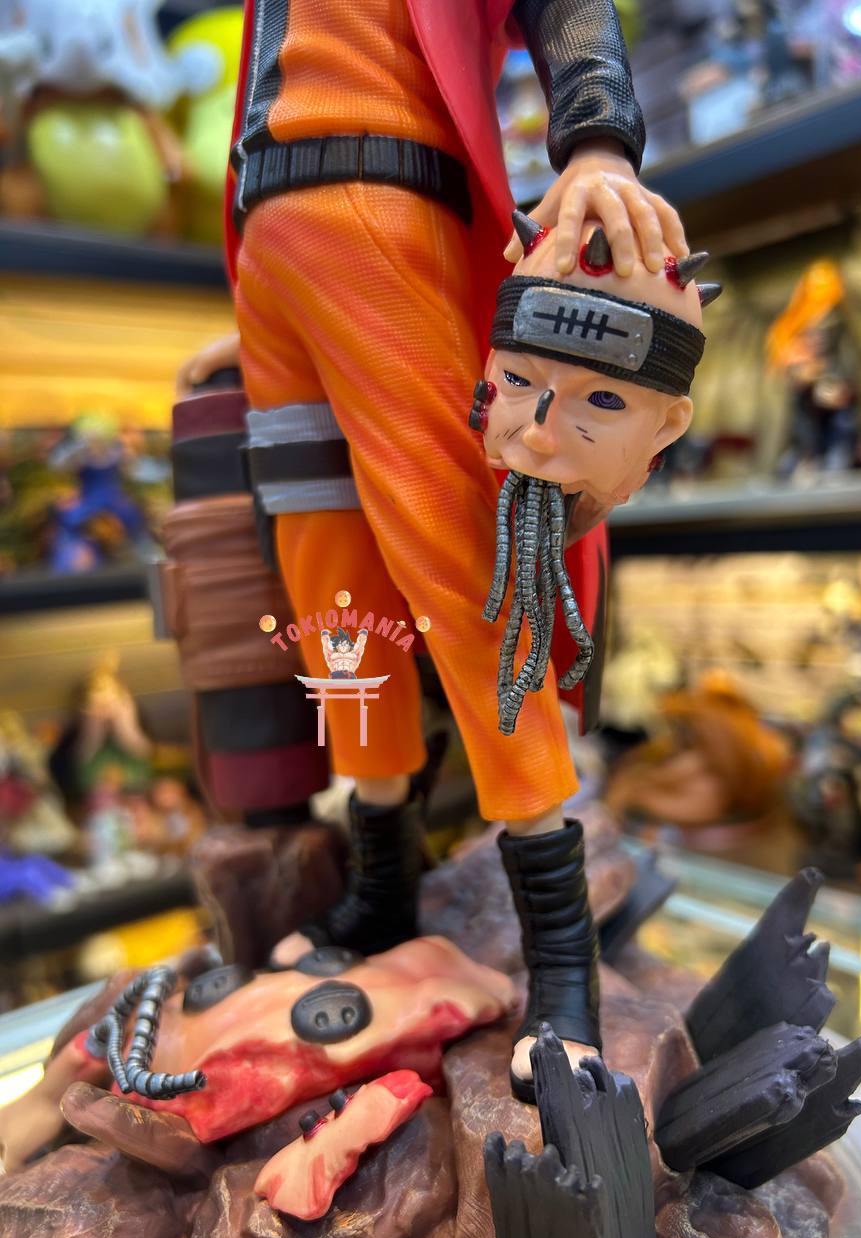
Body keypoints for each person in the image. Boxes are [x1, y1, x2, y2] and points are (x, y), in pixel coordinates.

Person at [182, 0, 691, 1101]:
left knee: (461, 570)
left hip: (380, 194)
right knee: (330, 580)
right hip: (277, 243)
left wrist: (596, 134)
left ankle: (560, 953)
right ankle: (383, 885)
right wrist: (275, 271)